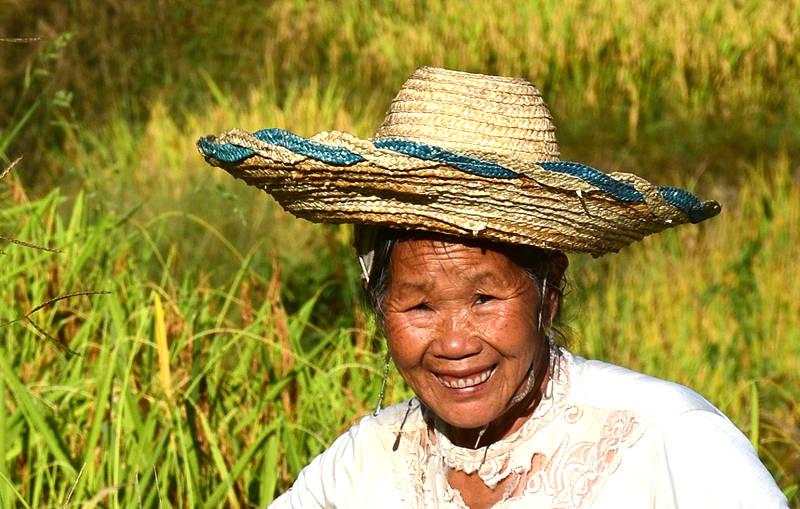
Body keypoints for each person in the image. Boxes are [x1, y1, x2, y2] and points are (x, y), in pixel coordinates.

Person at [198, 67, 789, 508]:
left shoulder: (666, 439)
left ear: (548, 292)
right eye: (420, 305)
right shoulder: (368, 464)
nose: (455, 344)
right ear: (379, 309)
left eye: (484, 299)